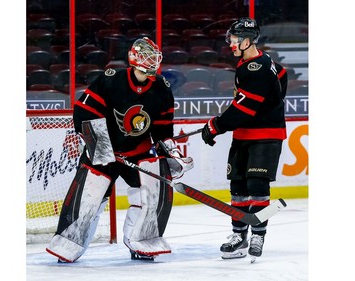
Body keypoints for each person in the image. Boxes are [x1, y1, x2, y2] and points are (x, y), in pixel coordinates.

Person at [46, 37, 193, 262]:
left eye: (153, 55)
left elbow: (163, 127)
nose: (151, 60)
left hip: (138, 151)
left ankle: (141, 242)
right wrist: (103, 151)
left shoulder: (162, 88)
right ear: (134, 58)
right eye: (146, 55)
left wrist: (168, 151)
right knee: (90, 196)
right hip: (104, 150)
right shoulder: (111, 80)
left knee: (150, 195)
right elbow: (84, 113)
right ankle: (69, 242)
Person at [201, 17, 288, 262]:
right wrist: (273, 104)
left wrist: (216, 126)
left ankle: (258, 234)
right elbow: (282, 75)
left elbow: (245, 108)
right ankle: (239, 235)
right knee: (238, 187)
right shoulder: (257, 60)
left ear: (248, 40)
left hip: (266, 136)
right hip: (244, 134)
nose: (231, 43)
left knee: (257, 184)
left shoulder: (255, 67)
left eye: (235, 39)